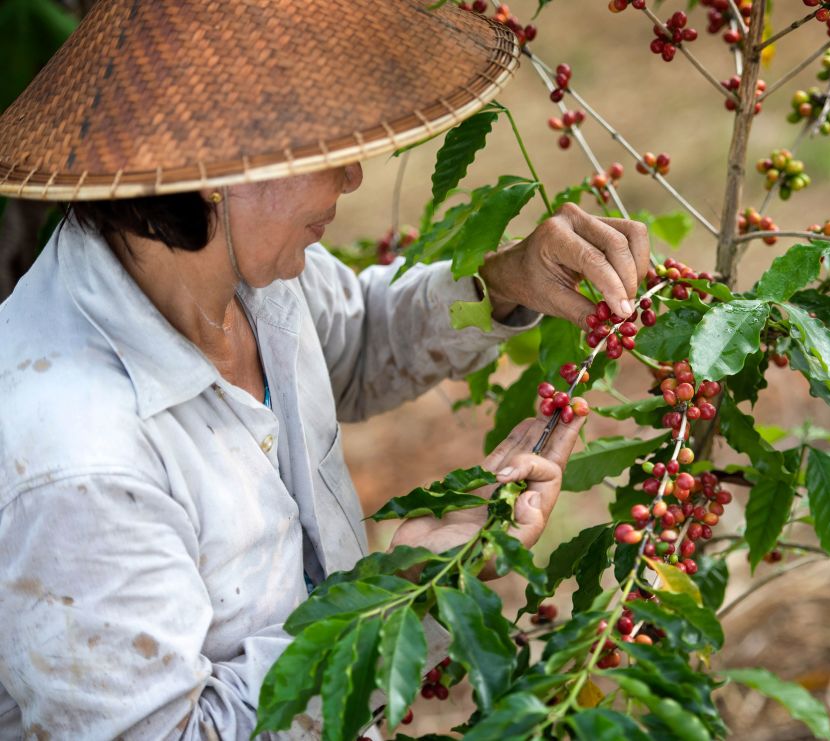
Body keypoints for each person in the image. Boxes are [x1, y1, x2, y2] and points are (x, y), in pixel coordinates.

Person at [0, 1, 649, 737]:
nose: (351, 172)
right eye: (320, 145)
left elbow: (363, 337)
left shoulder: (243, 271)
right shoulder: (76, 463)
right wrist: (395, 596)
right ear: (214, 168)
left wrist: (502, 285)